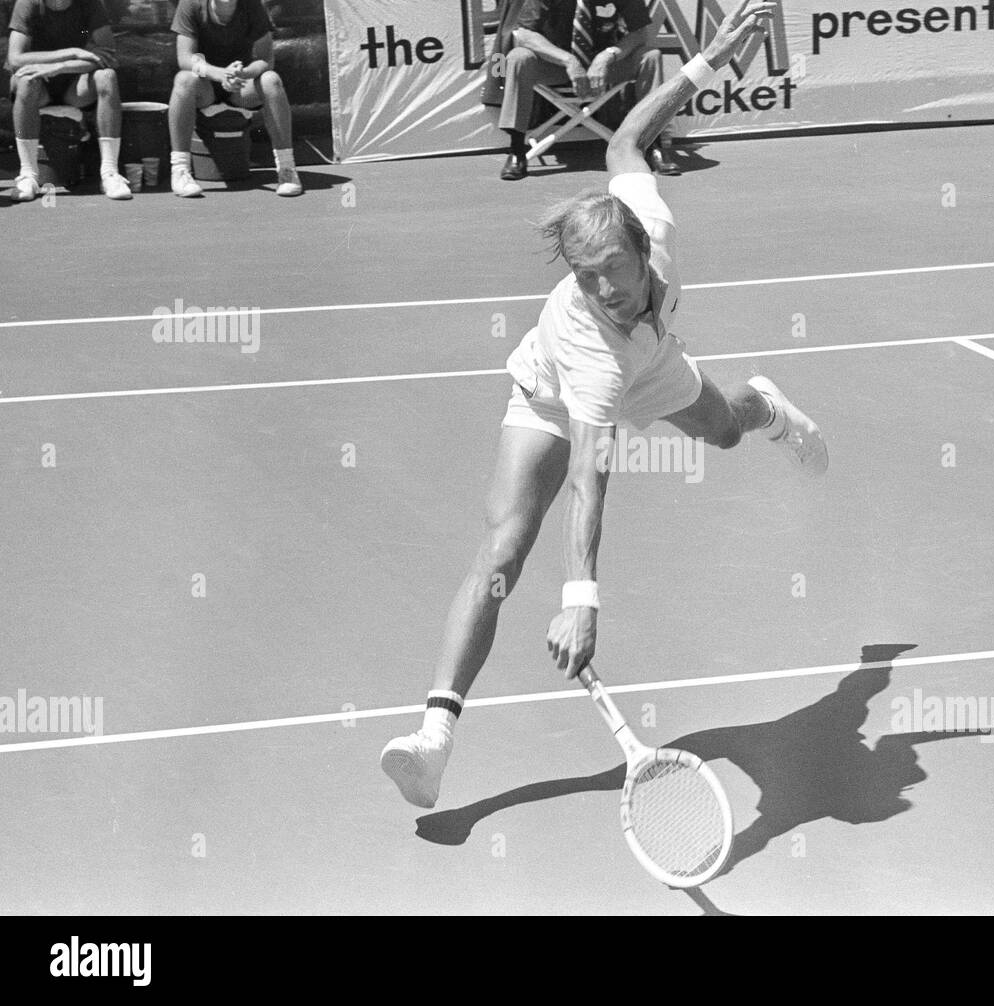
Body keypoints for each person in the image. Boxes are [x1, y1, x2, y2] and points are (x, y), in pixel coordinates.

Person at [382, 0, 825, 810]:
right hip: (558, 391)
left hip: (655, 363)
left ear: (640, 246)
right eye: (583, 276)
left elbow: (625, 139)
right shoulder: (587, 330)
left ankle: (762, 405)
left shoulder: (652, 219)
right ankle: (433, 739)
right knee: (504, 552)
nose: (600, 288)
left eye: (611, 270)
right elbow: (588, 471)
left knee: (725, 434)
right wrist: (578, 599)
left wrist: (709, 60)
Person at [496, 0, 680, 181]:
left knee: (650, 57)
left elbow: (639, 33)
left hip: (607, 66)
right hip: (555, 63)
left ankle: (654, 145)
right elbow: (525, 34)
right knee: (518, 58)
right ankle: (517, 150)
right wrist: (568, 61)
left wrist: (607, 56)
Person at [167, 0, 301, 198]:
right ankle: (180, 170)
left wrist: (243, 73)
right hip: (205, 88)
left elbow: (266, 59)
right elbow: (185, 58)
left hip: (240, 90)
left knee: (271, 80)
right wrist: (219, 74)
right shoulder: (190, 4)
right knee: (184, 80)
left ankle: (287, 169)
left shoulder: (253, 6)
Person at [6, 0, 130, 201]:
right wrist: (72, 52)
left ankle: (109, 173)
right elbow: (16, 58)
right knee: (25, 81)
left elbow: (107, 55)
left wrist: (60, 66)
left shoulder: (91, 4)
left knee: (107, 76)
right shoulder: (27, 3)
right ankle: (27, 175)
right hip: (38, 87)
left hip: (75, 86)